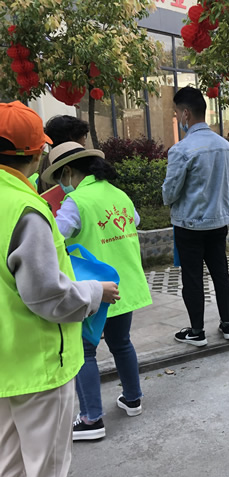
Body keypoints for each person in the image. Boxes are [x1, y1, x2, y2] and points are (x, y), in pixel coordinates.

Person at [0, 101, 119, 477]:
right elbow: (46, 295)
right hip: (39, 363)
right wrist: (94, 292)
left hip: (4, 364)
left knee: (9, 470)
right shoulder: (25, 210)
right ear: (37, 154)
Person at [42, 141, 152, 440]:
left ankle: (91, 419)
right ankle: (133, 399)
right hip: (123, 284)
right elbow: (135, 221)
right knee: (121, 343)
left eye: (60, 178)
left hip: (95, 289)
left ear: (67, 172)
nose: (61, 185)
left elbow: (53, 236)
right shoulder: (119, 194)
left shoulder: (76, 201)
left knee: (84, 351)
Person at [163, 86, 229, 346]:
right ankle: (228, 325)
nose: (177, 118)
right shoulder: (225, 146)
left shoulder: (181, 150)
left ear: (185, 114)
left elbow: (170, 192)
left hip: (190, 225)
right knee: (221, 274)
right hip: (218, 221)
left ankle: (197, 331)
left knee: (192, 278)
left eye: (176, 113)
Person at [29, 114, 89, 193]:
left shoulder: (45, 162)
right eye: (83, 135)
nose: (84, 142)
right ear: (72, 138)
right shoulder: (76, 162)